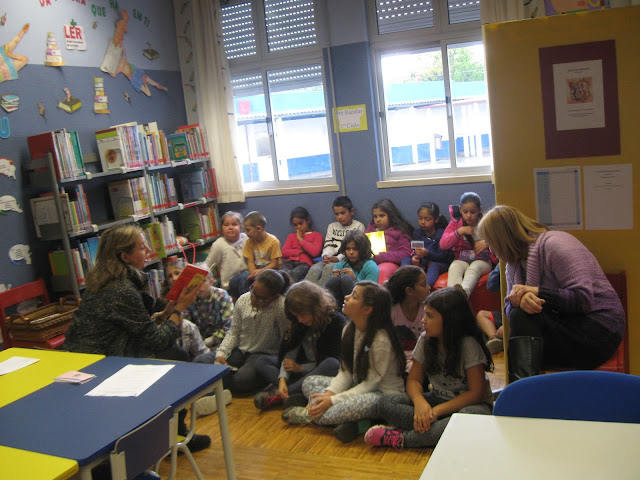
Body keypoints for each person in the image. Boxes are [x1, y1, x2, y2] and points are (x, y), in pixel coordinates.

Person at [63, 224, 211, 452]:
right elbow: (155, 340)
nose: (149, 251)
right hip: (101, 363)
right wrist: (179, 309)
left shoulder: (107, 281)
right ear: (125, 257)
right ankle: (173, 436)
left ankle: (171, 432)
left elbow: (136, 325)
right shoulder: (122, 290)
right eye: (142, 248)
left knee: (175, 353)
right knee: (177, 357)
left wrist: (166, 313)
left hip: (93, 355)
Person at [477, 205, 624, 382]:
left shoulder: (556, 244)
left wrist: (537, 292)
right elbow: (509, 308)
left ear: (502, 239)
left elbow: (583, 299)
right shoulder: (513, 264)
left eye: (490, 243)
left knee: (522, 333)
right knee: (520, 316)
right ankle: (525, 387)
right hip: (567, 325)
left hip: (601, 329)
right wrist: (521, 300)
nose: (490, 250)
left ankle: (523, 389)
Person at [364, 286, 493, 450]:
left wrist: (437, 411)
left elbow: (475, 394)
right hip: (437, 401)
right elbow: (414, 380)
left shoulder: (468, 345)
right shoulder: (425, 340)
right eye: (425, 314)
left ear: (450, 320)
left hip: (468, 407)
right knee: (386, 402)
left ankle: (404, 438)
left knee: (471, 417)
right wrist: (420, 403)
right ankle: (435, 429)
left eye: (430, 316)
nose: (423, 320)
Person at [282, 281, 406, 444]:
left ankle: (310, 415)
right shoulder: (349, 329)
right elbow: (345, 371)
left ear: (367, 309)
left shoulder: (381, 339)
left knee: (335, 410)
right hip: (358, 385)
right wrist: (328, 394)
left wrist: (332, 401)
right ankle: (356, 423)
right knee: (309, 382)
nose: (346, 297)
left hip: (383, 394)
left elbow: (371, 384)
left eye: (354, 296)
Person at [253, 281, 346, 410]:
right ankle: (290, 390)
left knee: (332, 363)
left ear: (314, 308)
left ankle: (282, 394)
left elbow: (330, 360)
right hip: (299, 371)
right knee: (261, 361)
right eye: (296, 316)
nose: (300, 319)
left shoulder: (335, 322)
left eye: (302, 315)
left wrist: (299, 368)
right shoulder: (298, 323)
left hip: (317, 370)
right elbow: (289, 352)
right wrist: (282, 378)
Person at [158, 260, 233, 417]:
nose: (199, 286)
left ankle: (213, 396)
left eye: (203, 281)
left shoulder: (222, 296)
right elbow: (187, 327)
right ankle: (205, 396)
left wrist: (209, 341)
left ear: (211, 281)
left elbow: (228, 329)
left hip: (220, 345)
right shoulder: (188, 300)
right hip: (198, 347)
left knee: (206, 363)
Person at [215, 270, 291, 394]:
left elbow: (286, 341)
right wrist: (221, 354)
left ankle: (218, 387)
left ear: (275, 297)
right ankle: (219, 386)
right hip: (240, 350)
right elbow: (234, 331)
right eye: (253, 292)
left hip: (263, 354)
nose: (254, 300)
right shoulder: (243, 300)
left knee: (242, 380)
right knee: (202, 361)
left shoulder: (281, 307)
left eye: (261, 298)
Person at [440, 192, 497, 296]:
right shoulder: (456, 223)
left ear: (479, 210)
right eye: (465, 212)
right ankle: (452, 295)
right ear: (460, 210)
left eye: (473, 212)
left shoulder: (486, 222)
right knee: (454, 267)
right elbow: (443, 244)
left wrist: (487, 243)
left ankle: (464, 294)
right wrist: (459, 231)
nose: (468, 215)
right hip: (462, 259)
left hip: (483, 261)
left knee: (474, 268)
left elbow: (499, 239)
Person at [101, 10, 168, 96]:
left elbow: (122, 50)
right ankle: (148, 84)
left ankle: (161, 87)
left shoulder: (122, 59)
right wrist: (109, 70)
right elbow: (113, 73)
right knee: (148, 91)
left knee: (152, 83)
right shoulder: (119, 66)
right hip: (133, 77)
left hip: (135, 71)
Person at [305, 195, 365, 287]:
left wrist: (338, 259)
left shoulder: (358, 226)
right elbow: (328, 244)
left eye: (343, 213)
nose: (340, 217)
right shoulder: (332, 226)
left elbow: (355, 249)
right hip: (330, 259)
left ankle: (321, 294)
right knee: (314, 269)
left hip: (346, 260)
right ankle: (305, 292)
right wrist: (326, 256)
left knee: (329, 268)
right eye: (336, 214)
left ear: (351, 212)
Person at [229, 211, 282, 299]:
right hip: (256, 271)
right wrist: (253, 273)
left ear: (258, 229)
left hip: (270, 270)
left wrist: (261, 271)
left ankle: (250, 300)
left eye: (248, 230)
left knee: (246, 278)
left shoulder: (273, 241)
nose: (245, 233)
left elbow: (274, 264)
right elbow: (250, 261)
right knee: (234, 281)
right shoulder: (249, 242)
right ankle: (243, 300)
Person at [385, 266, 430, 370]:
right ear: (409, 291)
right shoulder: (392, 312)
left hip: (421, 361)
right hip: (395, 361)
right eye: (423, 285)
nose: (429, 287)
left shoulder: (428, 310)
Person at [401, 202, 453, 287]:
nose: (422, 222)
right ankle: (401, 283)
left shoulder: (441, 235)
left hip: (439, 262)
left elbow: (443, 256)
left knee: (434, 265)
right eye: (420, 218)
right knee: (406, 259)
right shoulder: (417, 233)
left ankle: (426, 287)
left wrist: (428, 254)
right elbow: (414, 250)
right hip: (422, 262)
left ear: (436, 219)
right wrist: (415, 258)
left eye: (427, 219)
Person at [324, 230, 379, 307]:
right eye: (348, 249)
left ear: (363, 249)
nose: (351, 252)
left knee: (346, 279)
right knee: (334, 280)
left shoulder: (371, 266)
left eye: (355, 249)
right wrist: (336, 278)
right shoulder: (340, 265)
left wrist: (355, 279)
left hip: (361, 305)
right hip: (339, 305)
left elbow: (370, 294)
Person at [204, 211, 248, 301]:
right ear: (222, 228)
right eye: (226, 225)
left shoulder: (246, 239)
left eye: (234, 224)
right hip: (229, 286)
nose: (230, 227)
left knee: (245, 277)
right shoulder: (219, 244)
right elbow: (208, 265)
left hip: (247, 281)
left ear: (241, 227)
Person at [365, 198, 412, 281]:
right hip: (369, 263)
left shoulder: (399, 231)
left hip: (390, 263)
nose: (378, 220)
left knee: (381, 271)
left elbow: (406, 253)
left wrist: (382, 256)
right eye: (375, 216)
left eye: (382, 216)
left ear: (390, 216)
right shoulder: (369, 231)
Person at [281, 206, 323, 282]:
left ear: (308, 220)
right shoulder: (291, 236)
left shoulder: (317, 236)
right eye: (295, 225)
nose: (298, 227)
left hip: (305, 264)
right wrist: (300, 251)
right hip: (289, 262)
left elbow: (315, 252)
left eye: (301, 223)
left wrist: (301, 239)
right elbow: (284, 252)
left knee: (293, 276)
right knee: (282, 276)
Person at [475, 264, 504, 355]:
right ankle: (494, 339)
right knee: (481, 315)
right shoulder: (504, 265)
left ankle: (500, 337)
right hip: (505, 315)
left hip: (517, 316)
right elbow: (490, 285)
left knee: (503, 330)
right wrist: (500, 266)